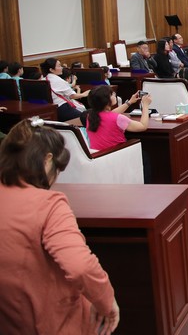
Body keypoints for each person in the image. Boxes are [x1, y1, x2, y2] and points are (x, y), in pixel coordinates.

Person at [0, 119, 120, 333]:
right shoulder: (48, 204)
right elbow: (80, 266)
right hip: (49, 321)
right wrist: (106, 301)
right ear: (47, 161)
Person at [86, 86, 153, 182]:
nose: (114, 94)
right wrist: (145, 106)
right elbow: (143, 126)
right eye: (111, 94)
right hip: (117, 155)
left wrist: (129, 102)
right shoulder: (118, 118)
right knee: (145, 156)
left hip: (98, 156)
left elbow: (111, 113)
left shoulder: (90, 116)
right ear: (106, 101)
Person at [41, 57, 89, 122]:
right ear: (51, 70)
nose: (61, 68)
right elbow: (73, 96)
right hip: (63, 108)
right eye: (59, 66)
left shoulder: (44, 79)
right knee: (86, 118)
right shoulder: (58, 80)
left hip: (53, 109)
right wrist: (84, 94)